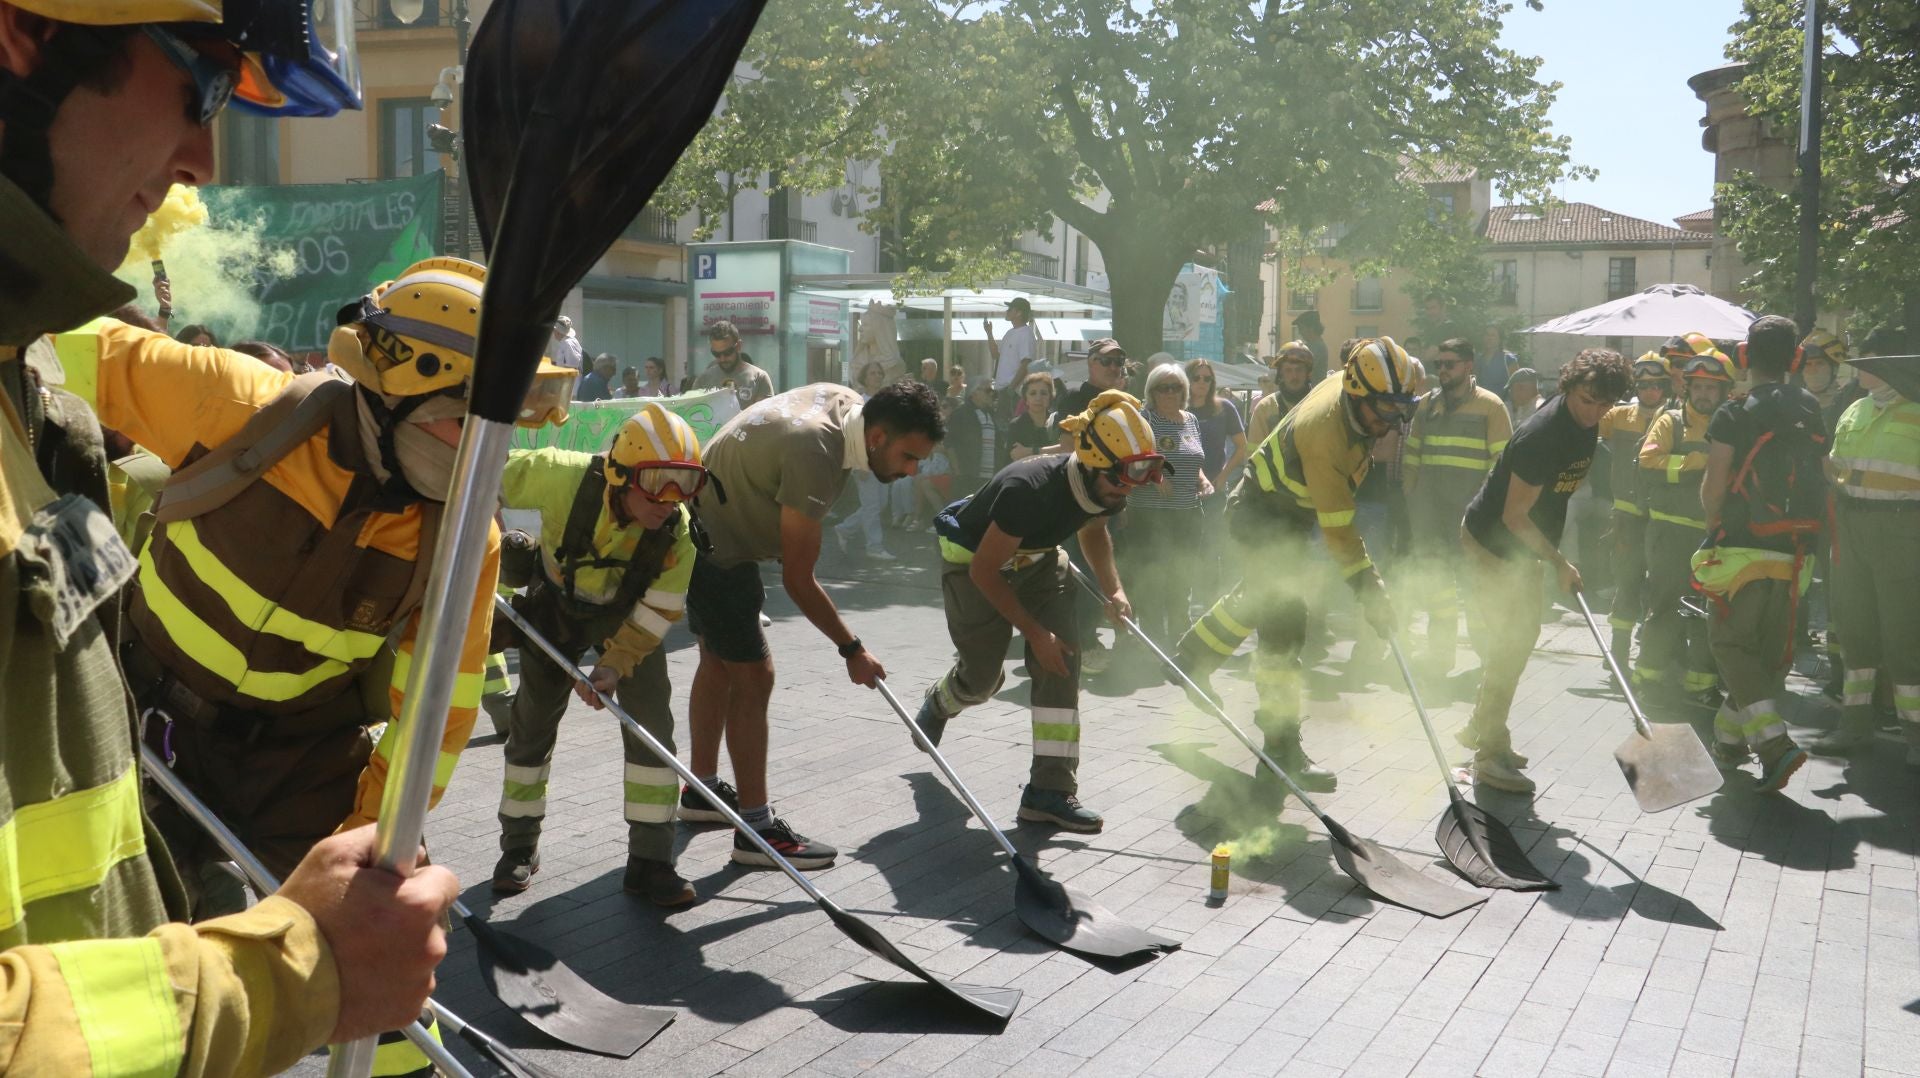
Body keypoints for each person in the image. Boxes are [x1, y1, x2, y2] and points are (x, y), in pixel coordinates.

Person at [0, 2, 456, 1070]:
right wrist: (290, 968)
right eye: (203, 83)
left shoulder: (20, 391)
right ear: (22, 33)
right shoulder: (244, 404)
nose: (206, 158)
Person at [686, 382, 944, 867]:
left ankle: (700, 791)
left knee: (718, 664)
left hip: (706, 522)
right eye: (909, 457)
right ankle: (756, 831)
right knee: (754, 675)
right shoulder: (816, 453)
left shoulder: (842, 400)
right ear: (878, 436)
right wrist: (853, 650)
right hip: (715, 546)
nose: (912, 471)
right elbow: (799, 581)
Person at [1177, 338, 1420, 794]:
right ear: (1357, 392)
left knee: (1264, 598)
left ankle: (1193, 656)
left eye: (1399, 410)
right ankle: (1280, 750)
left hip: (1288, 510)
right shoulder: (1325, 434)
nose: (1393, 422)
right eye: (1385, 411)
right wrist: (1371, 590)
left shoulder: (1358, 397)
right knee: (1286, 629)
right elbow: (1341, 534)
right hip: (1262, 513)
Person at [492, 405, 707, 903]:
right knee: (530, 728)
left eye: (685, 483)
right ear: (620, 472)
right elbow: (478, 482)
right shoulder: (558, 475)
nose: (669, 501)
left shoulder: (679, 535)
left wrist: (613, 665)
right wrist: (489, 545)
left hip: (625, 618)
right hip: (553, 606)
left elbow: (657, 613)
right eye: (657, 481)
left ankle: (651, 863)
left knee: (652, 731)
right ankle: (518, 849)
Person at [913, 391, 1148, 831]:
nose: (1126, 491)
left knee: (1063, 662)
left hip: (1039, 561)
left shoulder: (1104, 486)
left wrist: (1114, 589)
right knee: (983, 680)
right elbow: (986, 570)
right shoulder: (1030, 490)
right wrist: (1035, 634)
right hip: (975, 567)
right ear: (1096, 463)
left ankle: (1049, 792)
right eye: (1122, 480)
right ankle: (940, 701)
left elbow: (1094, 532)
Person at [1458, 349, 1630, 792]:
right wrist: (1559, 562)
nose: (1594, 413)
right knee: (1511, 643)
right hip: (1493, 542)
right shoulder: (1542, 435)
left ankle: (1482, 726)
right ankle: (1488, 754)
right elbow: (1515, 516)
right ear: (1568, 386)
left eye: (1604, 405)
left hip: (1525, 545)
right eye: (1587, 401)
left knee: (1521, 636)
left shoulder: (1584, 424)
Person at [1692, 315, 1822, 791]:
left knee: (1729, 645)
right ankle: (1727, 744)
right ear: (1795, 360)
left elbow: (1715, 484)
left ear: (1744, 357)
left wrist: (1713, 528)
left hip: (1742, 551)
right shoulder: (1811, 408)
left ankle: (1772, 745)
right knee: (1764, 659)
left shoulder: (1734, 411)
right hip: (1795, 554)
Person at [1809, 329, 1920, 763]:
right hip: (1849, 527)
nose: (1860, 369)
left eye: (1870, 361)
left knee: (1903, 637)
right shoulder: (1853, 408)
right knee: (1853, 630)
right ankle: (1854, 727)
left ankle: (1915, 738)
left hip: (1902, 531)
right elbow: (1834, 465)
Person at [1402, 338, 1512, 678]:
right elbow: (1411, 459)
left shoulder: (1491, 407)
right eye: (1439, 365)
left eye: (1450, 364)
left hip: (1472, 519)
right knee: (1438, 591)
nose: (1443, 370)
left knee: (1475, 592)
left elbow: (1502, 466)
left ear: (1469, 366)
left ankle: (1488, 664)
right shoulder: (1427, 406)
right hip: (1432, 516)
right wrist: (1412, 504)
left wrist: (1488, 516)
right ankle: (1439, 658)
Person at [1635, 346, 1736, 705]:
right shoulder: (1671, 422)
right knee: (1664, 606)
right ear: (1687, 389)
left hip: (1713, 536)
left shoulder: (1733, 423)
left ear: (1724, 392)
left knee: (1707, 612)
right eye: (1698, 387)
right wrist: (1702, 461)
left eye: (1712, 388)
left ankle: (1701, 684)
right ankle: (1649, 678)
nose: (1704, 394)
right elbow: (1648, 460)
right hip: (1669, 533)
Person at [1052, 338, 1132, 673]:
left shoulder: (1122, 403)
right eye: (1106, 361)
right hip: (1078, 497)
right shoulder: (1074, 397)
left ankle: (1093, 639)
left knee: (1108, 570)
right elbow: (1069, 447)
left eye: (1119, 362)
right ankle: (1080, 642)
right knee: (1078, 572)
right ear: (1091, 363)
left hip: (1112, 496)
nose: (1114, 368)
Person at [1119, 364, 1212, 645]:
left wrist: (1203, 480)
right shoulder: (1144, 419)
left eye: (1176, 387)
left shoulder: (1190, 420)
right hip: (1150, 516)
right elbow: (1126, 461)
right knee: (1152, 580)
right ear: (1152, 391)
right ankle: (1152, 642)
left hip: (1187, 514)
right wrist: (1155, 474)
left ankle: (1178, 640)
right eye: (1164, 387)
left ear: (1184, 391)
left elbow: (1192, 460)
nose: (1170, 393)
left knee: (1181, 578)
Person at [1596, 354, 1673, 668]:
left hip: (1661, 520)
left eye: (1657, 385)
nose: (1650, 391)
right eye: (1643, 385)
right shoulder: (1618, 416)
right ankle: (1617, 654)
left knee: (1659, 590)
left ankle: (1653, 658)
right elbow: (1584, 422)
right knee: (1626, 585)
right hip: (1626, 519)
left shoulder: (1676, 418)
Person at [834, 362, 898, 560]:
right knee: (871, 505)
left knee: (880, 504)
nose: (877, 376)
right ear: (864, 376)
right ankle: (874, 546)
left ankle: (845, 529)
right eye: (872, 373)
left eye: (879, 373)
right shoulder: (860, 402)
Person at [1247, 341, 1315, 447]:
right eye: (1288, 370)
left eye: (1299, 370)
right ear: (1280, 374)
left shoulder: (1320, 404)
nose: (1294, 376)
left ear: (1308, 373)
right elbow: (1253, 455)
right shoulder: (1265, 408)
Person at [694, 319, 775, 410]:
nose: (722, 359)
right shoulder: (703, 380)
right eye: (716, 354)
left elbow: (764, 418)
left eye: (727, 352)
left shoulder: (759, 378)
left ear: (739, 346)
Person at [946, 379, 1004, 493]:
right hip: (968, 477)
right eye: (988, 390)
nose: (991, 394)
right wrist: (958, 472)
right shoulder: (960, 413)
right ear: (974, 393)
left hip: (990, 478)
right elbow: (949, 443)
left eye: (993, 391)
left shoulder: (992, 414)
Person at [987, 295, 1039, 389]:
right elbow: (995, 355)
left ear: (1019, 313)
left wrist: (1011, 388)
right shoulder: (1009, 333)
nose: (1007, 311)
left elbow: (1026, 363)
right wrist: (989, 333)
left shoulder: (1026, 334)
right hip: (1002, 388)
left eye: (1010, 309)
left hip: (1013, 391)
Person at [1007, 371, 1056, 460]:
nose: (1038, 398)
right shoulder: (1016, 426)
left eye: (1043, 393)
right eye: (1033, 393)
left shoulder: (1058, 423)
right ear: (1026, 399)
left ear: (1050, 397)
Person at [1476, 326, 1517, 399]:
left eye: (1493, 335)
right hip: (1483, 403)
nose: (1489, 338)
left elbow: (1516, 385)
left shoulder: (1508, 359)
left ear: (1500, 339)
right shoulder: (1478, 359)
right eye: (1487, 334)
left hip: (1504, 403)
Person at [1292, 309, 1329, 379]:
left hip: (1314, 389)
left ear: (1311, 328)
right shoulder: (1311, 346)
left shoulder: (1318, 347)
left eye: (1301, 328)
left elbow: (1302, 368)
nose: (1300, 332)